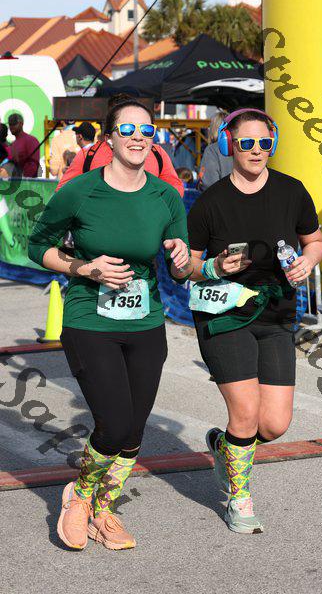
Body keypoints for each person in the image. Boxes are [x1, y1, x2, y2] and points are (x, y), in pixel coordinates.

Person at [28, 97, 193, 551]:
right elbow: (37, 246)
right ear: (109, 139)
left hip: (146, 322)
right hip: (90, 320)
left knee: (134, 430)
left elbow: (181, 269)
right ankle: (81, 495)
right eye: (128, 130)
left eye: (147, 131)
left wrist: (182, 259)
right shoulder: (80, 191)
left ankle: (104, 509)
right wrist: (84, 268)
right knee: (115, 424)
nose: (139, 138)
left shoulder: (166, 196)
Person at [187, 108, 322, 534]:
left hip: (276, 313)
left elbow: (314, 240)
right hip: (223, 316)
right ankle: (239, 498)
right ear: (229, 144)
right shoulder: (210, 202)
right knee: (245, 413)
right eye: (247, 142)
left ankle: (226, 447)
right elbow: (185, 265)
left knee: (274, 424)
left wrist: (308, 261)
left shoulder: (292, 191)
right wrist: (213, 267)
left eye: (265, 142)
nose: (257, 150)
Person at [57, 95, 184, 196]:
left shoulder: (157, 153)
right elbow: (64, 194)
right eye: (126, 128)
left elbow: (175, 190)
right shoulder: (88, 155)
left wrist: (152, 206)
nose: (137, 137)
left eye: (145, 128)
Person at [198, 111, 233, 191]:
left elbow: (208, 183)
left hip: (221, 196)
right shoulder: (238, 147)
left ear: (213, 129)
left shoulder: (212, 150)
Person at [8, 113, 40, 177]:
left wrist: (24, 179)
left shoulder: (31, 140)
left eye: (14, 123)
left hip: (26, 181)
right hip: (14, 181)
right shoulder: (12, 144)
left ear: (21, 124)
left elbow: (33, 164)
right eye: (10, 124)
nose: (11, 126)